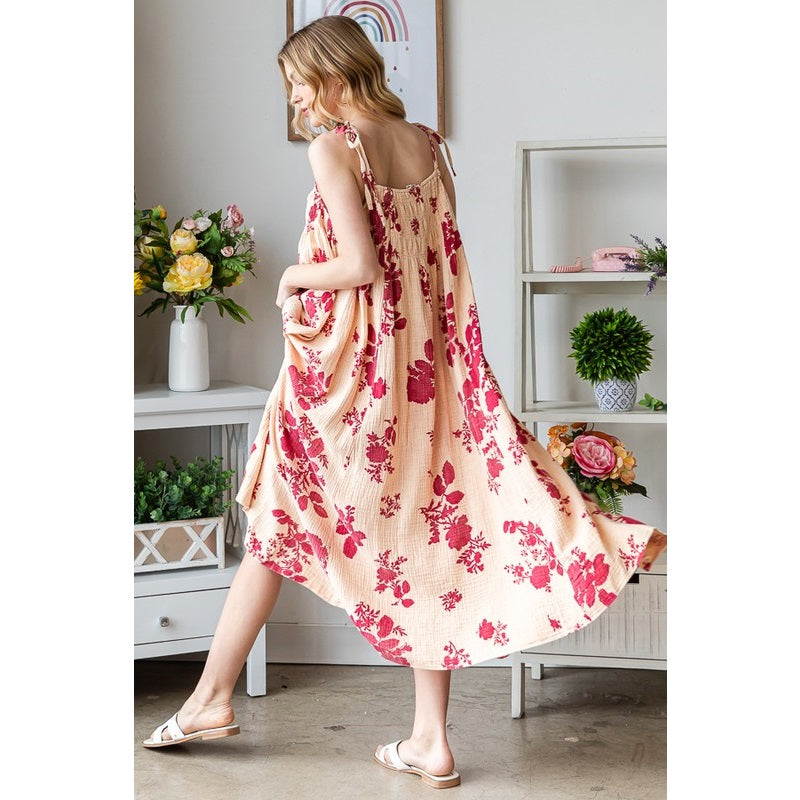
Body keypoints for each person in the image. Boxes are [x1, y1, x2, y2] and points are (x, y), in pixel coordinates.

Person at [142, 15, 667, 790]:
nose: (295, 100)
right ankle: (429, 740)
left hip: (349, 381)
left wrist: (291, 278)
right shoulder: (428, 145)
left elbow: (359, 265)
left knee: (275, 524)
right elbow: (434, 269)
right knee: (426, 538)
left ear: (332, 72)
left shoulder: (335, 147)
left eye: (298, 83)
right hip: (426, 379)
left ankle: (210, 699)